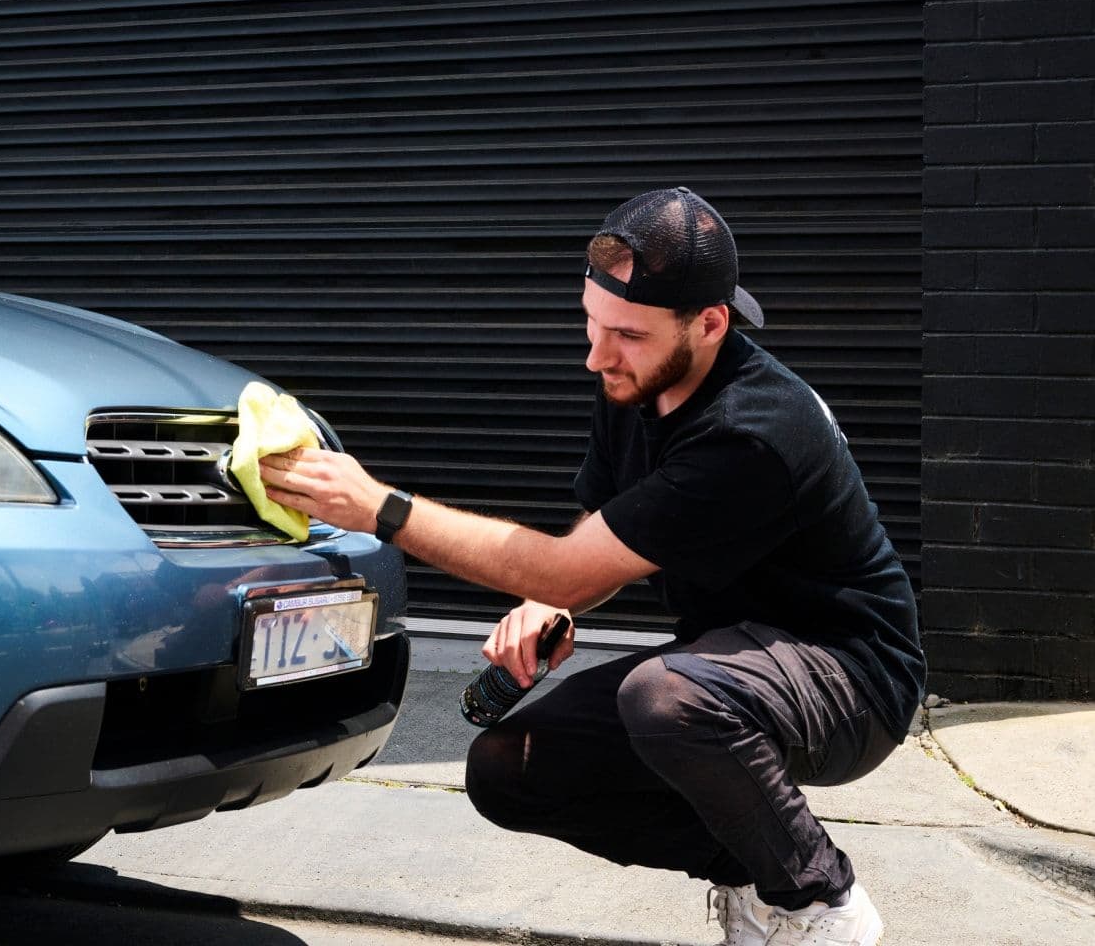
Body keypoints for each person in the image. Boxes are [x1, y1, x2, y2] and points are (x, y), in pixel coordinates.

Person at [258, 187, 924, 946]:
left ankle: (819, 902)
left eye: (628, 335)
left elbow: (567, 567)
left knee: (666, 699)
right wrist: (559, 605)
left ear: (710, 323)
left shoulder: (753, 432)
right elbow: (601, 539)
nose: (597, 354)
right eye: (592, 322)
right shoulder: (634, 382)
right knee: (508, 770)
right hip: (737, 657)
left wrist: (381, 507)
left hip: (855, 680)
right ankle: (756, 879)